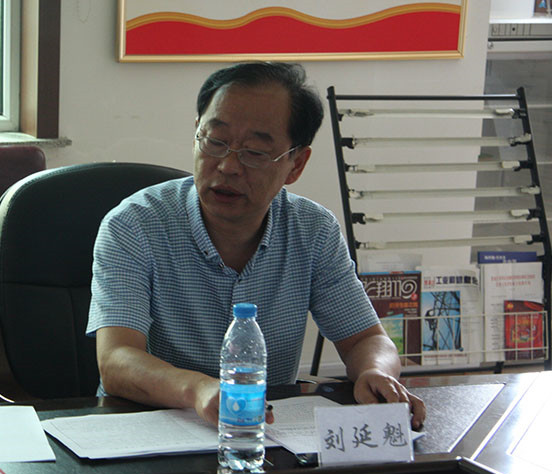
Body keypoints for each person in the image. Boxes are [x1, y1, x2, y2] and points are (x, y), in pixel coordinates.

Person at [87, 62, 425, 429]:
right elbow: (117, 358)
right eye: (215, 142)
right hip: (148, 429)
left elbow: (366, 339)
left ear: (296, 164)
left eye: (255, 152)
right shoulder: (134, 225)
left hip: (264, 434)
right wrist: (199, 390)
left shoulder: (314, 231)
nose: (228, 166)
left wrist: (376, 372)